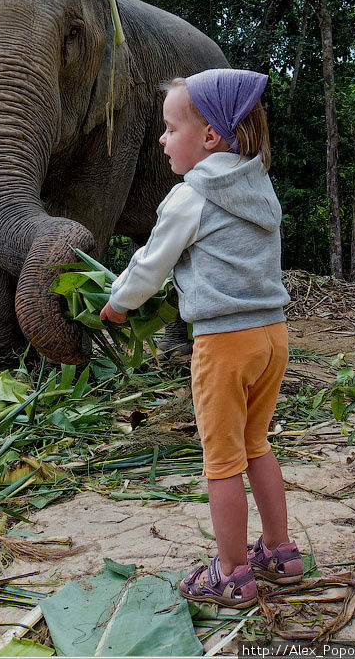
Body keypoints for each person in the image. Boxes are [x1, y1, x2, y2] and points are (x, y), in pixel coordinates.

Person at [100, 68, 302, 608]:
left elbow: (150, 266)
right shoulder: (257, 184)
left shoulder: (191, 196)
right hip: (273, 337)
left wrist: (118, 304)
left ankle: (232, 571)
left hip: (225, 344)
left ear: (209, 136)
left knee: (222, 462)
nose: (163, 140)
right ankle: (281, 551)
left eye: (169, 129)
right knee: (257, 445)